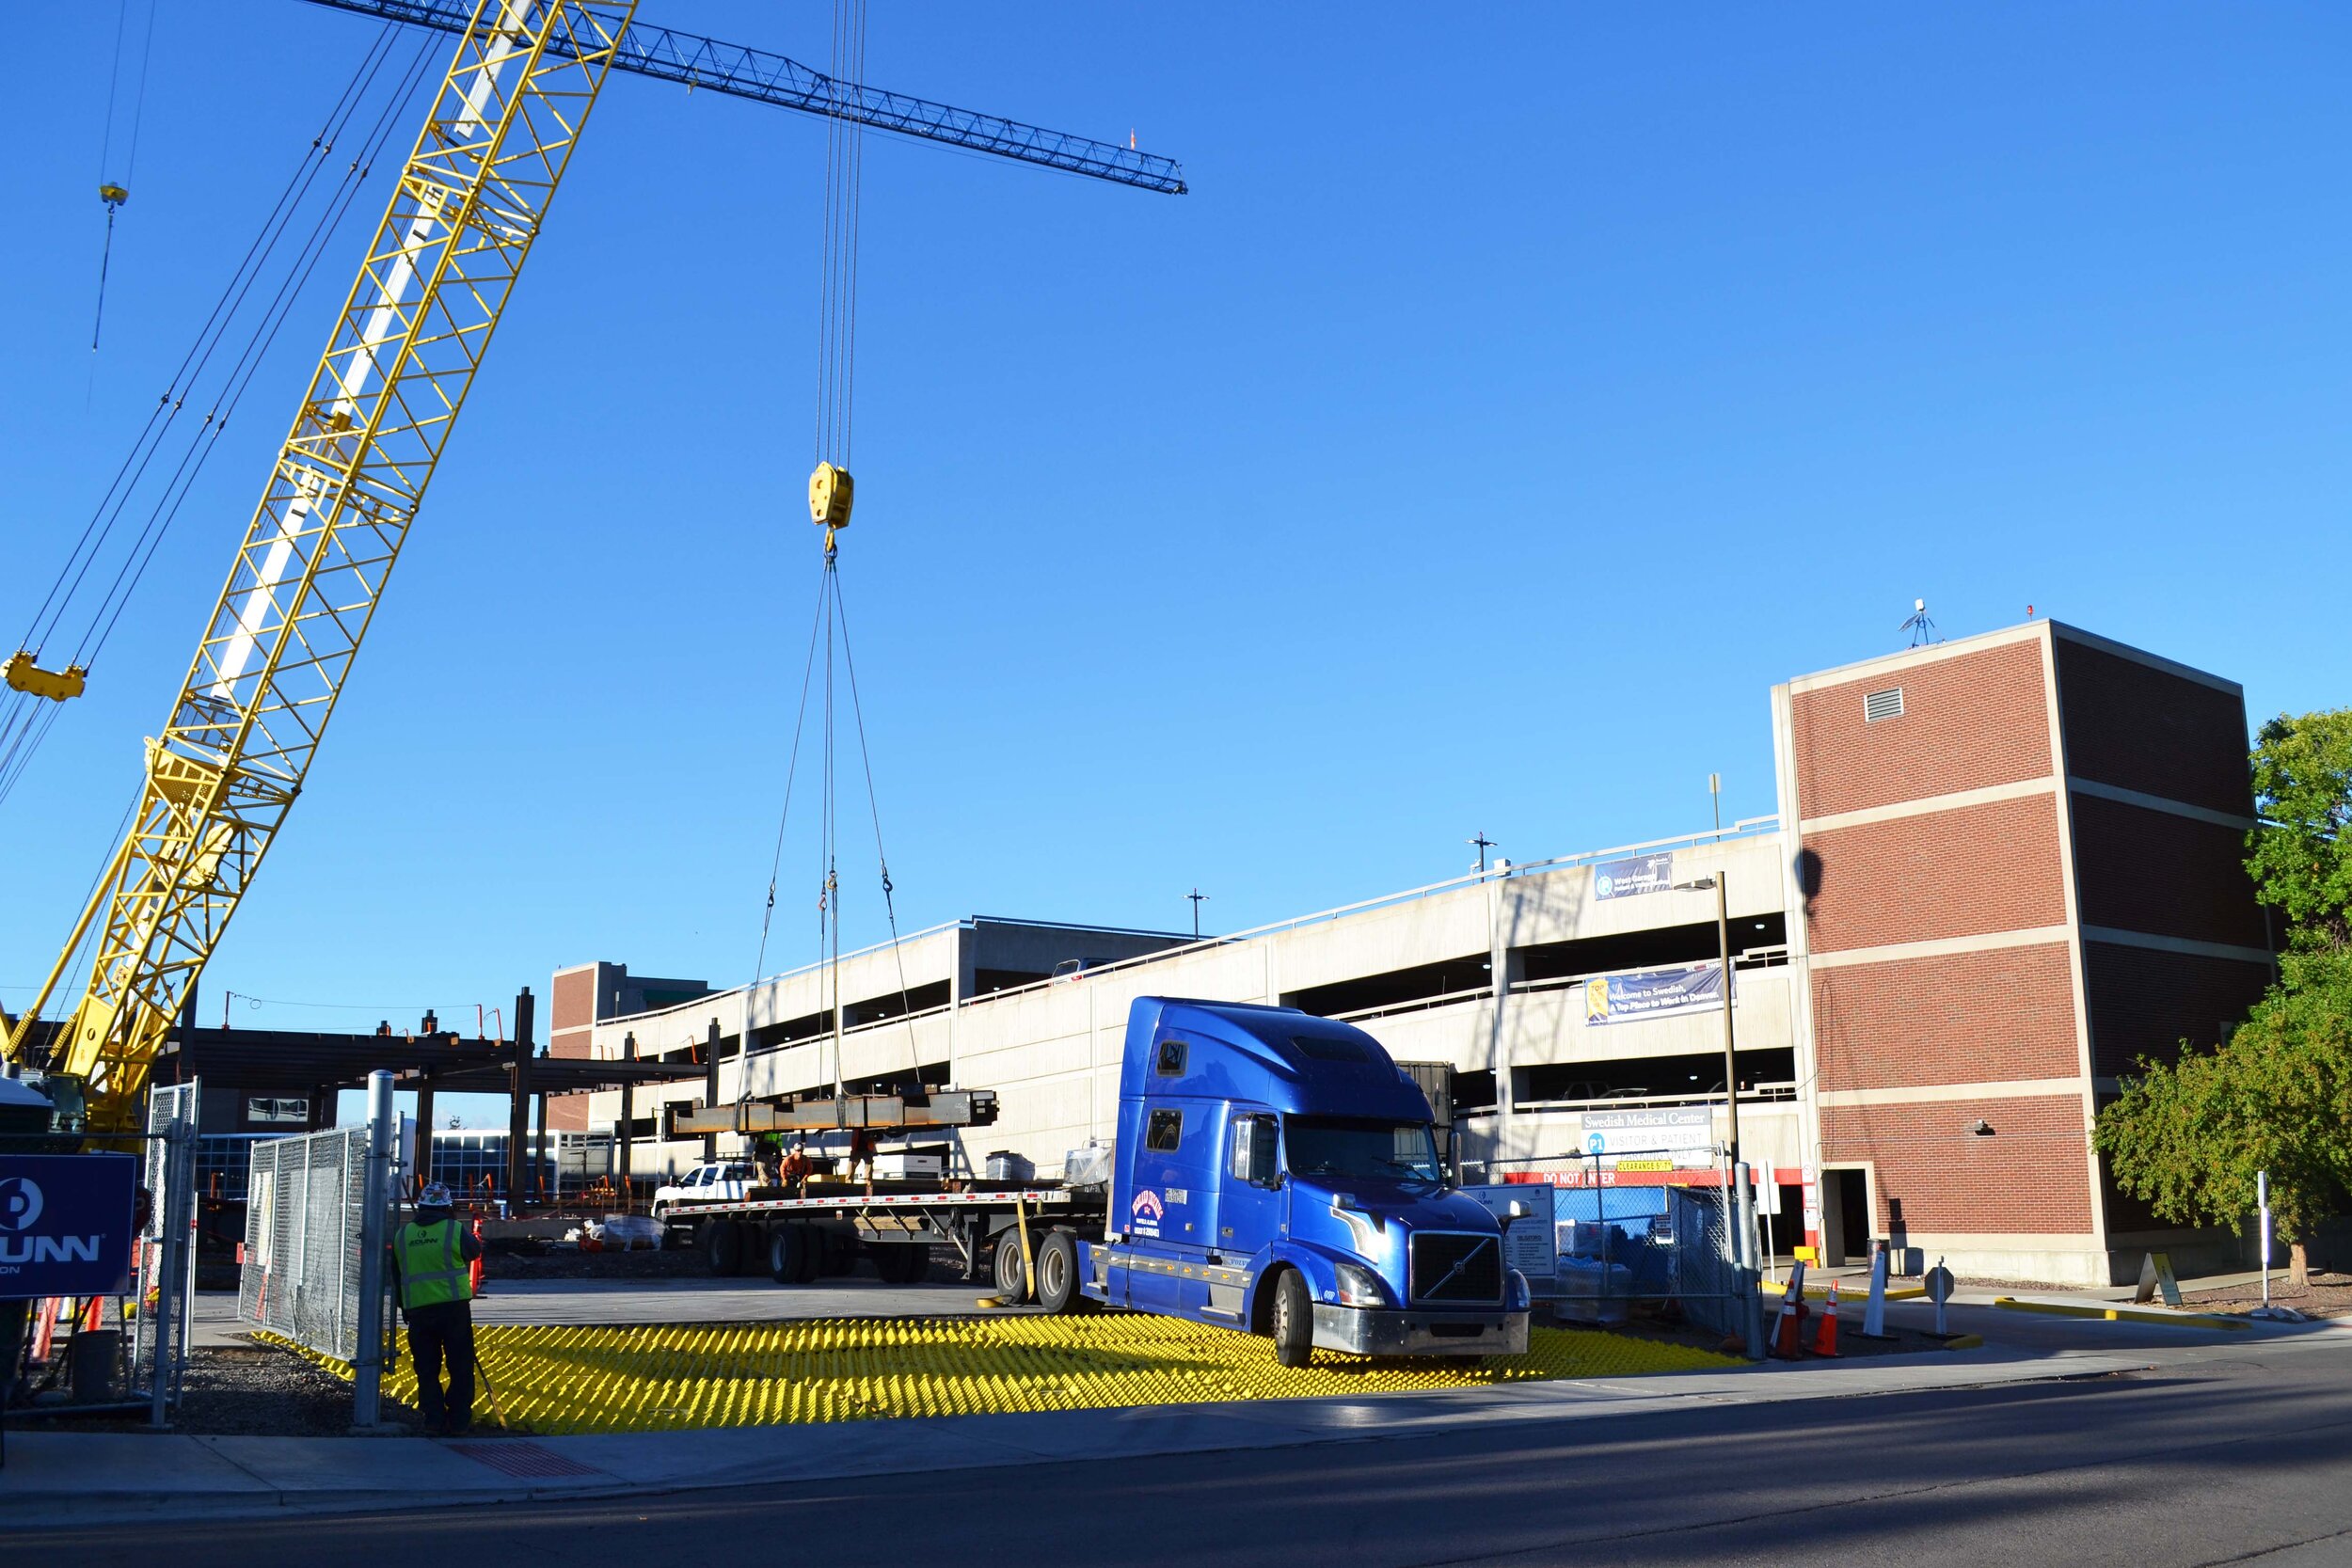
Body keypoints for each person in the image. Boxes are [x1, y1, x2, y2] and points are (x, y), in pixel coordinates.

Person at [387, 1180, 481, 1435]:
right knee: (460, 1365)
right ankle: (459, 1420)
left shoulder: (402, 1235)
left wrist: (404, 1307)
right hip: (453, 1310)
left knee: (427, 1368)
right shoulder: (453, 1229)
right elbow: (474, 1252)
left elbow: (396, 1275)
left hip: (419, 1311)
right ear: (447, 1207)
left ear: (421, 1205)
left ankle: (433, 1419)